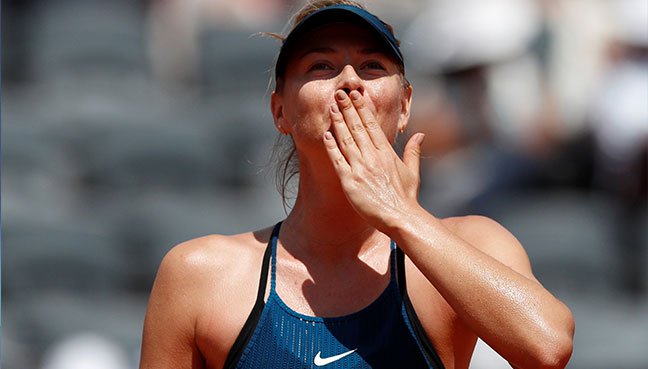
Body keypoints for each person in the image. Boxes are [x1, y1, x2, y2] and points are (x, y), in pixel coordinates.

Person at [139, 1, 575, 368]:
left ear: (404, 107)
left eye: (371, 65)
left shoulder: (474, 242)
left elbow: (548, 347)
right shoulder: (200, 275)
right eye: (321, 65)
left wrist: (401, 215)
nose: (349, 81)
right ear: (280, 112)